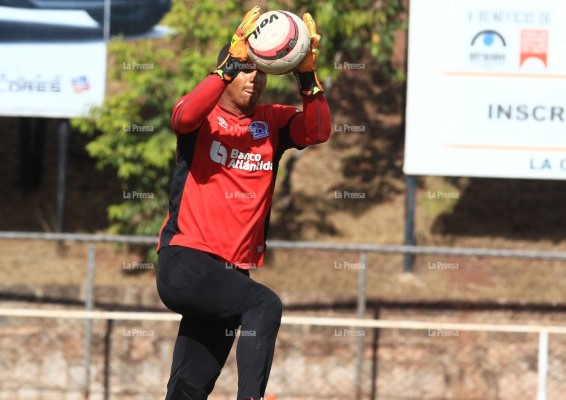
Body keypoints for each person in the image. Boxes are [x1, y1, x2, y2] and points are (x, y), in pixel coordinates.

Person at [156, 6, 331, 400]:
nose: (254, 78)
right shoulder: (204, 117)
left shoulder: (272, 121)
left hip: (228, 276)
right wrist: (227, 66)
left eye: (260, 70)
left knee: (189, 388)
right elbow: (182, 118)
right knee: (265, 306)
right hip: (185, 263)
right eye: (245, 69)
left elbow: (318, 130)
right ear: (230, 69)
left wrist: (307, 75)